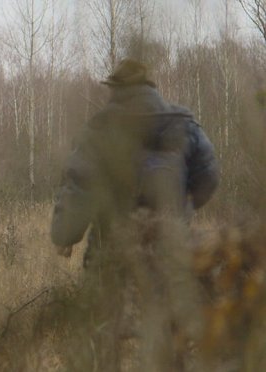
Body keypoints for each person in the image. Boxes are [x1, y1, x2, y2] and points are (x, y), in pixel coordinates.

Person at [50, 59, 219, 370]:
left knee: (103, 329)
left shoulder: (99, 129)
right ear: (149, 86)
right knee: (171, 330)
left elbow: (78, 187)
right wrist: (185, 207)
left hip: (111, 249)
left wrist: (65, 235)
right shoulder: (183, 123)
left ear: (115, 89)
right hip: (170, 246)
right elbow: (208, 176)